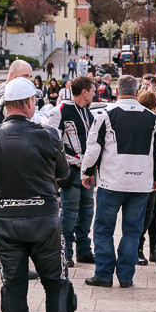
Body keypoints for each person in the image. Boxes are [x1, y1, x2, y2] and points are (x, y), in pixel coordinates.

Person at [0, 76, 97, 312]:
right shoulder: (48, 135)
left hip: (5, 221)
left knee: (13, 288)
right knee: (57, 285)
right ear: (30, 102)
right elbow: (63, 173)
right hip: (43, 220)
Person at [80, 74, 156, 289]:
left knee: (103, 229)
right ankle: (126, 276)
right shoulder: (154, 118)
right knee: (132, 232)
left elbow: (93, 148)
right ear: (136, 92)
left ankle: (104, 274)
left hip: (112, 182)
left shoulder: (105, 115)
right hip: (140, 184)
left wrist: (86, 172)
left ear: (117, 91)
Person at [47, 76, 96, 267]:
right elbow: (53, 142)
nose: (94, 93)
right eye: (93, 90)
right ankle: (65, 252)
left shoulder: (87, 112)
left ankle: (84, 250)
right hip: (72, 171)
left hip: (87, 172)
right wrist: (68, 164)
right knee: (69, 213)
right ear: (84, 92)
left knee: (87, 212)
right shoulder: (60, 110)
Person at [136, 88, 156, 266]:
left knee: (152, 212)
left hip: (151, 174)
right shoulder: (153, 121)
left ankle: (153, 248)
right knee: (148, 213)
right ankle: (143, 248)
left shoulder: (155, 121)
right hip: (150, 174)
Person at [0, 59, 35, 126]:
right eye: (25, 76)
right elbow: (15, 125)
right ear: (12, 75)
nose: (29, 80)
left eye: (30, 77)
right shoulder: (9, 95)